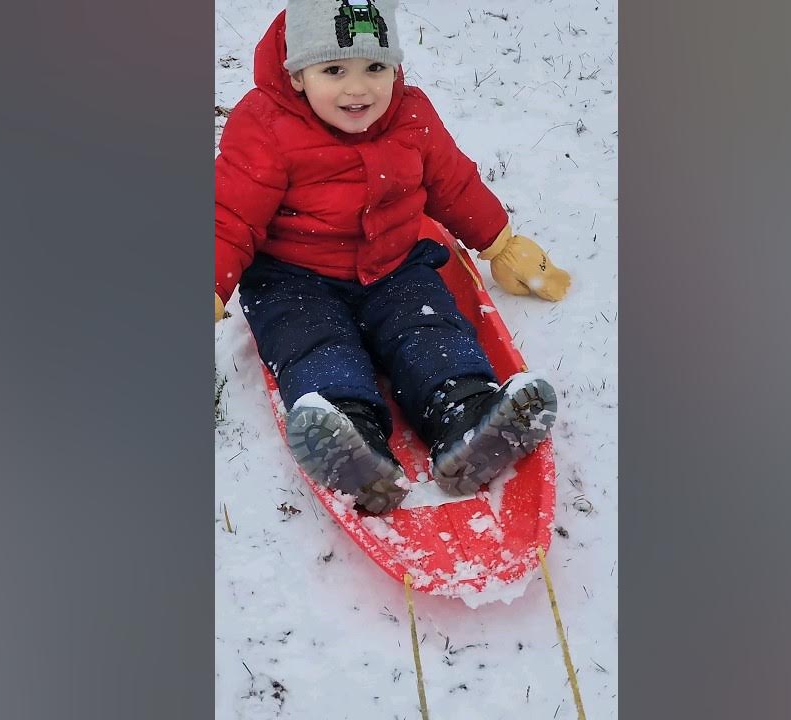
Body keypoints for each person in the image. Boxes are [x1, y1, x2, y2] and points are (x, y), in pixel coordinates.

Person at [214, 0, 571, 513]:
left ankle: (469, 420)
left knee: (428, 329)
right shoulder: (265, 126)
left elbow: (453, 183)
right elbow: (231, 213)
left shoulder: (411, 114)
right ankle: (348, 440)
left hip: (394, 263)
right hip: (295, 276)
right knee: (314, 344)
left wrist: (500, 243)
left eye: (376, 67)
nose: (358, 89)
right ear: (297, 75)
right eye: (334, 70)